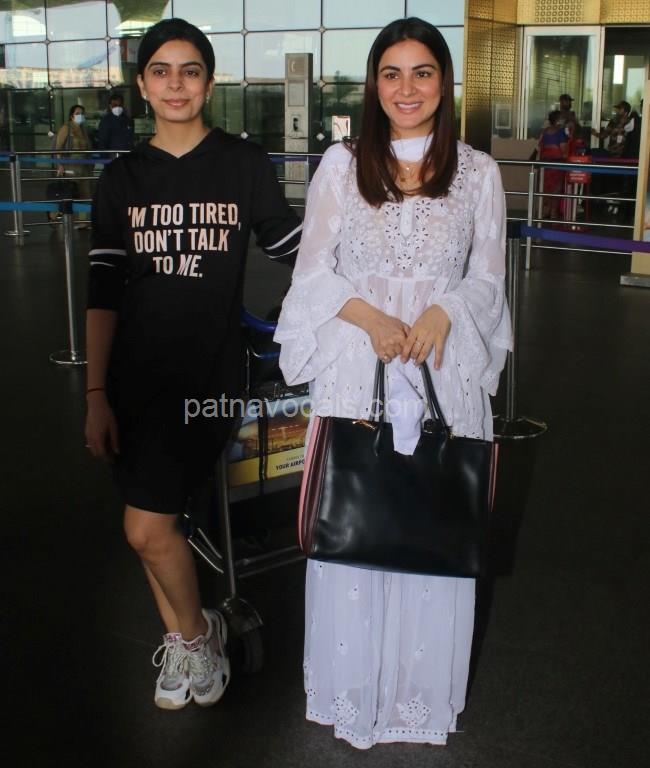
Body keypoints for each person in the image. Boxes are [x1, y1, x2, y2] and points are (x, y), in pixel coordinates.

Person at [275, 17, 511, 749]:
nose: (407, 89)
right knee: (357, 515)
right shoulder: (341, 164)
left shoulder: (479, 172)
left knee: (433, 520)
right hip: (358, 362)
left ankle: (416, 697)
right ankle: (353, 693)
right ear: (373, 84)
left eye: (422, 72)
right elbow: (312, 272)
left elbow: (489, 279)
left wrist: (446, 310)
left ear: (445, 82)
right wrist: (372, 319)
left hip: (443, 366)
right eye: (391, 73)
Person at [84, 18, 301, 711]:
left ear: (209, 82)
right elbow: (103, 293)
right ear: (142, 85)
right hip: (134, 379)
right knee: (153, 525)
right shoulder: (121, 178)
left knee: (144, 527)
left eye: (190, 71)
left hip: (208, 376)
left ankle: (200, 632)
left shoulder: (242, 164)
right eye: (161, 71)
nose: (175, 84)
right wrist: (95, 391)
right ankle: (185, 642)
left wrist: (381, 259)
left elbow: (293, 245)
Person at [55, 104, 92, 228]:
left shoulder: (84, 130)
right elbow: (58, 147)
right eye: (77, 113)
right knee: (69, 193)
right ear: (71, 116)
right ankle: (56, 217)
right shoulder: (66, 128)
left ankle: (83, 221)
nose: (80, 115)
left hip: (84, 167)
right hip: (70, 166)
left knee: (85, 193)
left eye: (82, 113)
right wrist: (60, 164)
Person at [538, 110, 569, 220]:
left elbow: (540, 147)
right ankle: (553, 213)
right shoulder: (561, 133)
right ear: (557, 120)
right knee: (557, 188)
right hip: (557, 165)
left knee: (546, 188)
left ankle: (545, 211)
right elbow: (564, 152)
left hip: (545, 165)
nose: (564, 120)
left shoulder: (545, 132)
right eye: (562, 118)